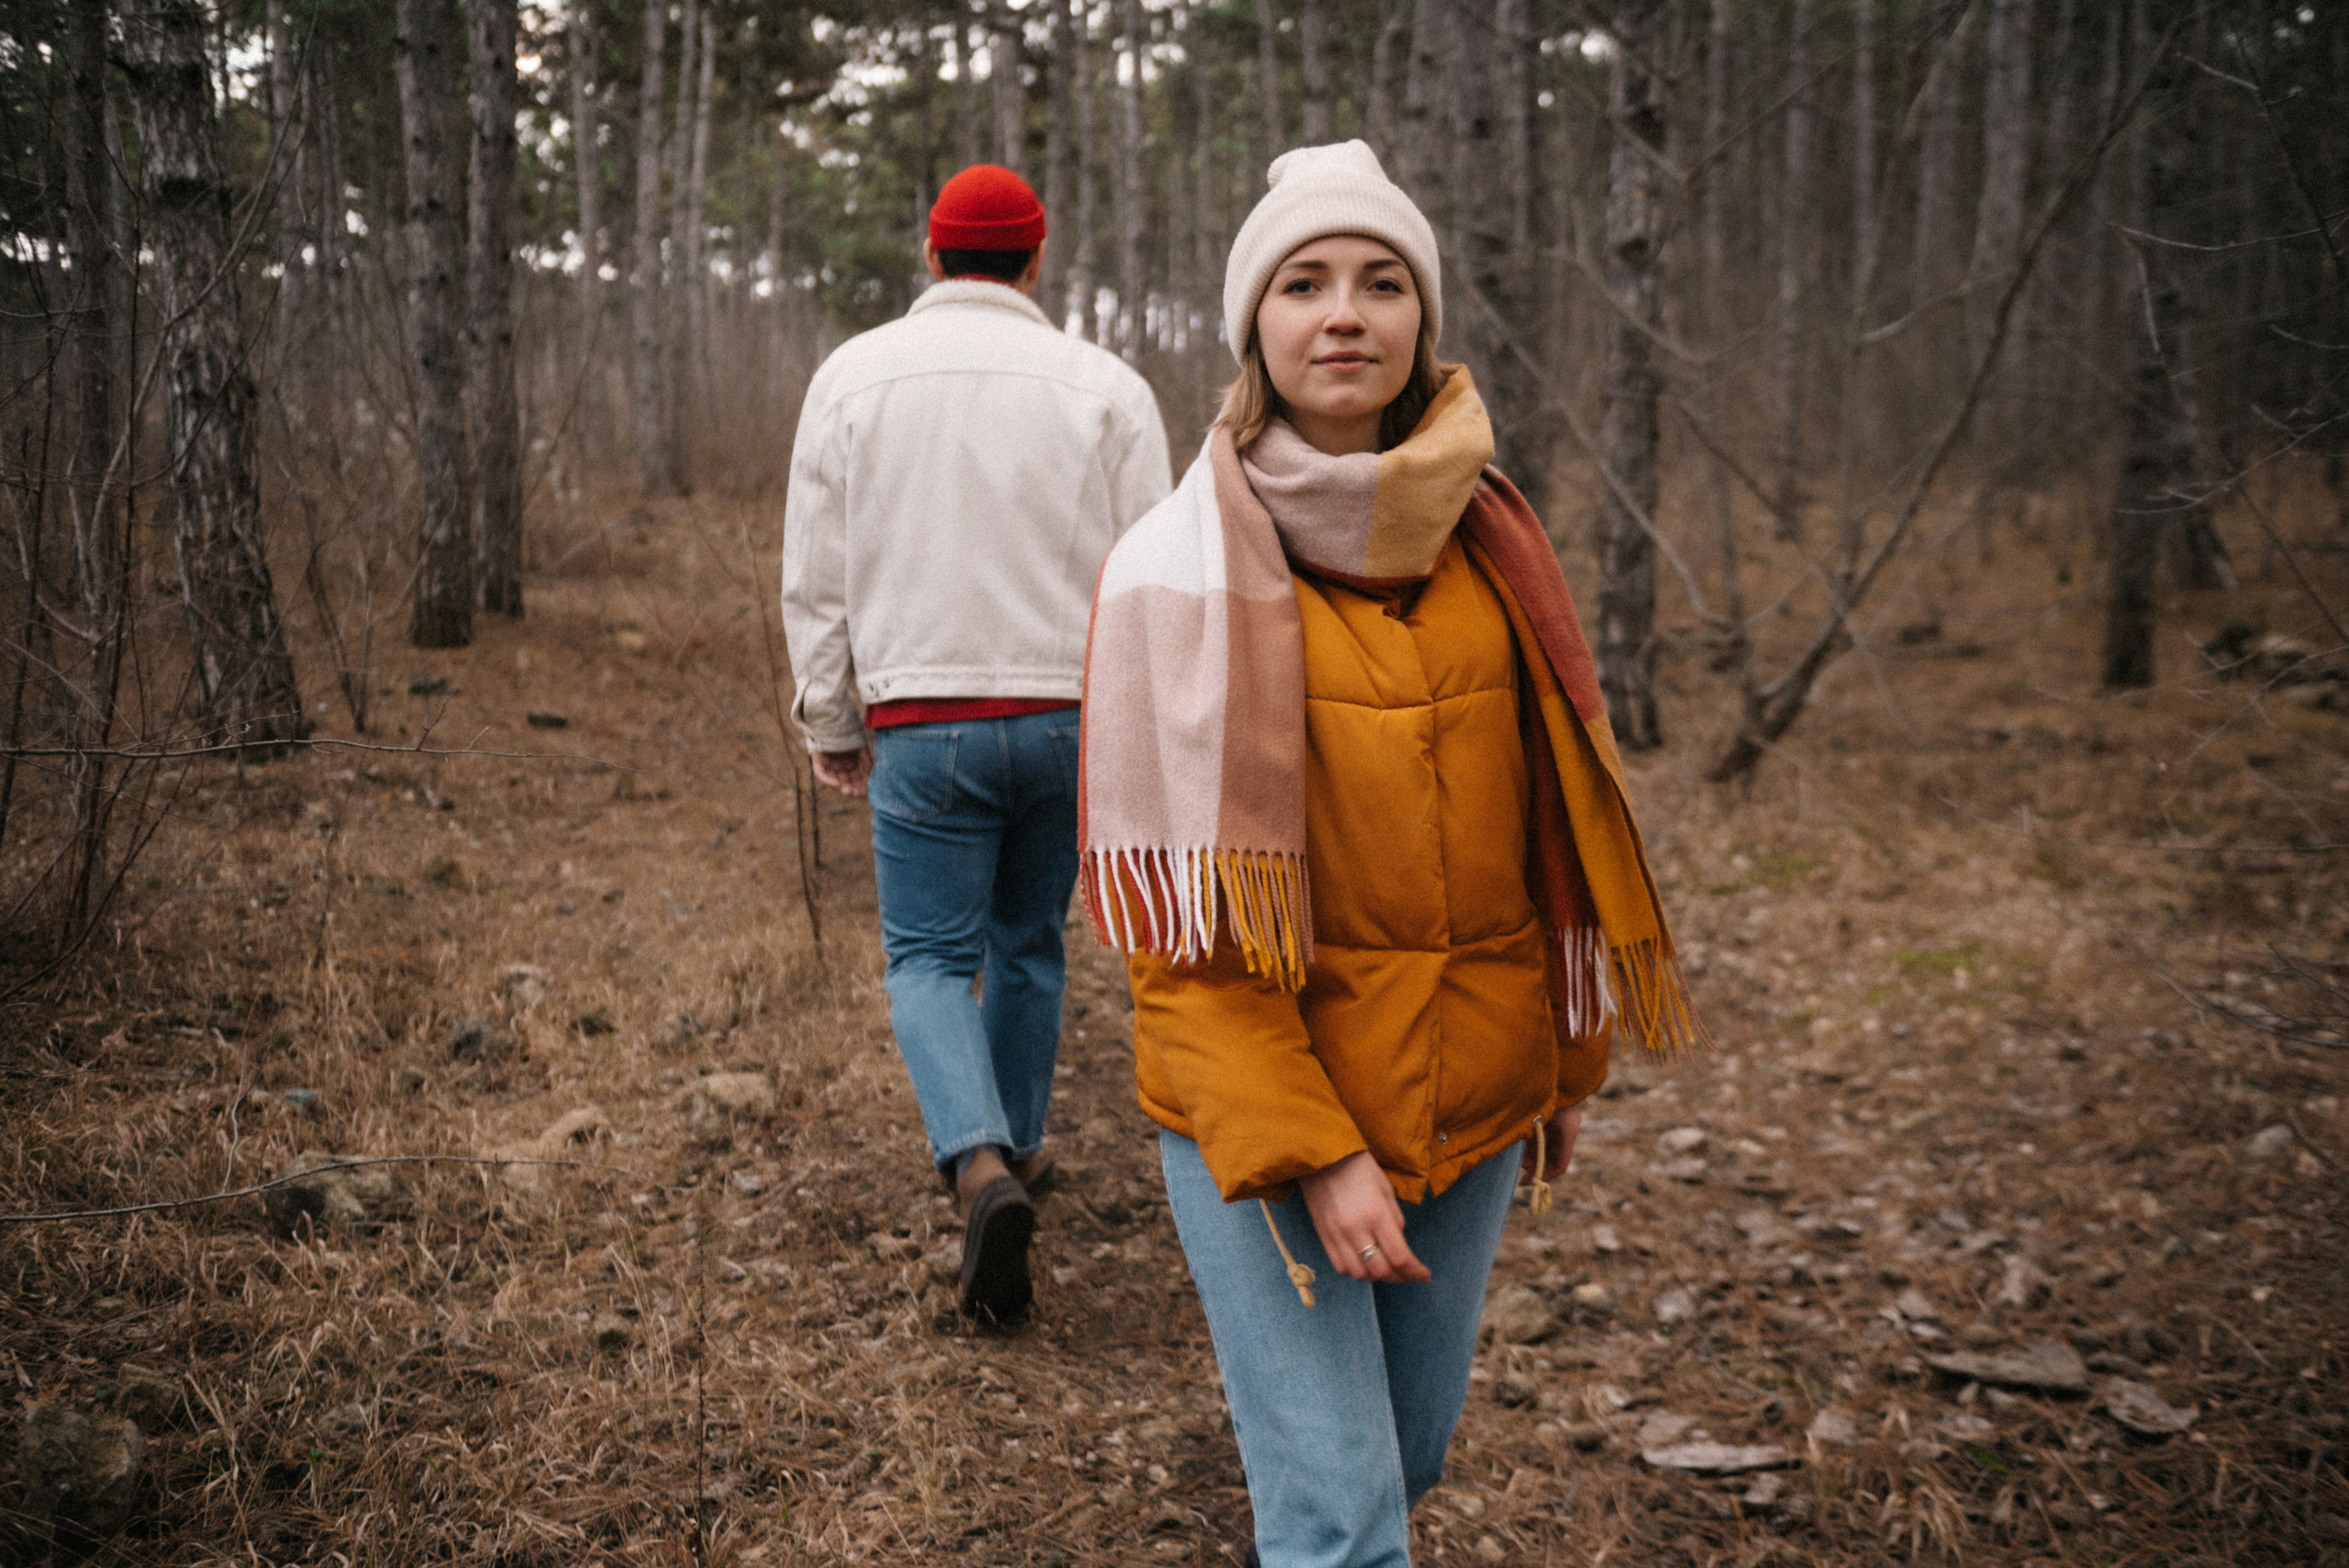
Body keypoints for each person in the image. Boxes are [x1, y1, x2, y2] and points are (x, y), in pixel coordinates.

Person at [1078, 141, 1705, 1567]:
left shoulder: (1495, 545)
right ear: (1257, 325)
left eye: (1380, 281)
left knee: (1402, 1464)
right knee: (1342, 1514)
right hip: (1266, 1112)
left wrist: (1560, 1064)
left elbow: (1541, 847)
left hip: (1474, 1091)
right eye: (1304, 283)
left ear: (1423, 320)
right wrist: (1319, 1155)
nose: (1344, 312)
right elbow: (1183, 951)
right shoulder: (1173, 568)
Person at [782, 164, 1172, 1323]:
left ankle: (977, 1163)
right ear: (1037, 258)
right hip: (1068, 720)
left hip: (922, 720)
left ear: (931, 252)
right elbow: (1149, 572)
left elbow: (817, 570)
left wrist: (830, 716)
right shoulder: (1106, 385)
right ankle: (1025, 1141)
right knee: (1029, 942)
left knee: (927, 959)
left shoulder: (852, 377)